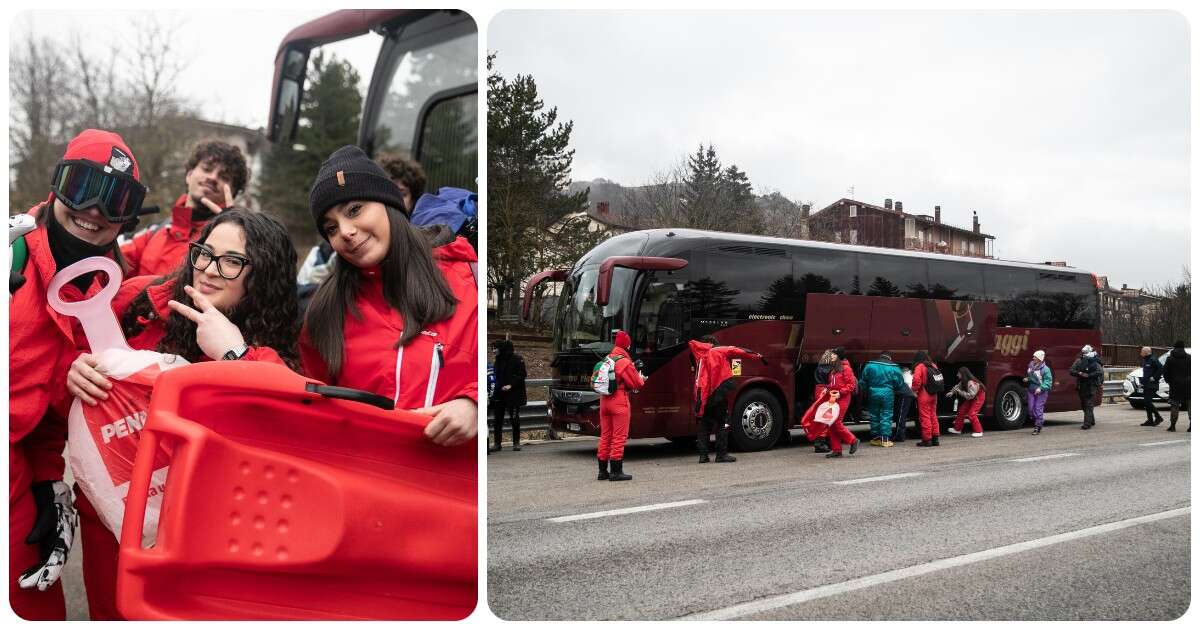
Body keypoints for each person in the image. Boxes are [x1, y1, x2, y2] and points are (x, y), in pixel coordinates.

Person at [63, 210, 300, 620]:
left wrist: (235, 354)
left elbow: (295, 417)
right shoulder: (140, 302)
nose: (209, 270)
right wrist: (74, 369)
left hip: (210, 537)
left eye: (232, 261)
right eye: (205, 253)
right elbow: (61, 350)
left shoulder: (276, 344)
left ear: (262, 275)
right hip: (114, 524)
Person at [9, 129, 147, 619]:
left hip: (20, 463)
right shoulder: (11, 260)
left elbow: (42, 413)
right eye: (82, 186)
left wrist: (48, 483)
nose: (94, 211)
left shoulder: (98, 292)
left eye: (116, 201)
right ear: (56, 185)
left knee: (35, 606)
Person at [300, 146, 478, 448]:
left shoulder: (467, 280)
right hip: (369, 483)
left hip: (455, 485)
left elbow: (495, 373)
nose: (345, 232)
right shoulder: (324, 310)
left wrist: (474, 403)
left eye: (355, 210)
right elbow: (309, 408)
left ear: (390, 204)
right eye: (331, 228)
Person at [121, 140, 249, 277]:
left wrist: (231, 232)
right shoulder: (156, 230)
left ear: (232, 193)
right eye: (207, 169)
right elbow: (110, 265)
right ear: (189, 175)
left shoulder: (234, 245)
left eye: (224, 177)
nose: (212, 177)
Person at [687, 335, 767, 463]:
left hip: (702, 396)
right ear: (712, 343)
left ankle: (703, 456)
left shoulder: (696, 355)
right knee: (722, 423)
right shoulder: (717, 350)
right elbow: (738, 350)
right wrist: (758, 356)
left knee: (704, 425)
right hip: (718, 393)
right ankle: (721, 455)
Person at [597, 330, 645, 480]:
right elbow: (636, 383)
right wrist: (641, 378)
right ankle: (616, 472)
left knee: (605, 436)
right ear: (627, 345)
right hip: (619, 400)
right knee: (619, 437)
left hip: (604, 400)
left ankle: (602, 471)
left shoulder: (607, 358)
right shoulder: (624, 361)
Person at [800, 349, 860, 458]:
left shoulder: (846, 369)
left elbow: (851, 386)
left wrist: (840, 393)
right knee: (831, 423)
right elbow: (832, 385)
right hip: (834, 397)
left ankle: (853, 440)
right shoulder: (834, 370)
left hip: (843, 398)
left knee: (836, 422)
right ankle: (836, 450)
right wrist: (826, 389)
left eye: (832, 356)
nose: (830, 357)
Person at [859, 351, 906, 447]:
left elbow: (863, 381)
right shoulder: (894, 367)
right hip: (887, 393)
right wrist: (896, 389)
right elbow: (899, 382)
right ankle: (885, 439)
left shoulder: (870, 365)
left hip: (873, 392)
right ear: (889, 358)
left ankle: (876, 438)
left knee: (874, 414)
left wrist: (864, 390)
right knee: (886, 414)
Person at [491, 339, 528, 451]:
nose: (493, 351)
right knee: (498, 419)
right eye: (492, 348)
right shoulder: (498, 360)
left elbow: (522, 374)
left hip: (513, 395)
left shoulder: (517, 359)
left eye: (495, 348)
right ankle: (497, 444)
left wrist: (511, 385)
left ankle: (516, 443)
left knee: (514, 419)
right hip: (499, 394)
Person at [911, 350, 943, 446]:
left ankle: (927, 439)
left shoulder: (919, 366)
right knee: (933, 415)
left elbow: (916, 380)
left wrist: (914, 390)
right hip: (934, 394)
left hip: (924, 394)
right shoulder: (933, 365)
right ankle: (935, 438)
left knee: (924, 416)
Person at [1069, 344, 1103, 430]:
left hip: (1092, 385)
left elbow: (1099, 372)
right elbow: (1071, 371)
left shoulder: (1095, 361)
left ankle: (1087, 424)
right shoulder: (1079, 361)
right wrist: (1080, 373)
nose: (1084, 353)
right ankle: (1091, 420)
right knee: (1084, 404)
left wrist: (1088, 375)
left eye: (1085, 352)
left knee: (1088, 403)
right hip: (1081, 385)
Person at [946, 367, 986, 437]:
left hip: (978, 397)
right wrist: (952, 392)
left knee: (972, 413)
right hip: (973, 396)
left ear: (962, 374)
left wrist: (960, 392)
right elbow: (957, 387)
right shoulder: (963, 381)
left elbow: (970, 396)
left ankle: (979, 431)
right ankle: (957, 429)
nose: (957, 375)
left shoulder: (970, 382)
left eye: (958, 373)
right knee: (961, 410)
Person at [1163, 341, 1190, 432]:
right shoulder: (1190, 358)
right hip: (1189, 385)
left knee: (1174, 406)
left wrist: (1169, 381)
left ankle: (1173, 426)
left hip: (1175, 385)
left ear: (1174, 347)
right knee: (1191, 405)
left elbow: (1165, 372)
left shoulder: (1170, 359)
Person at [1138, 346, 1166, 427]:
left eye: (1142, 352)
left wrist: (1154, 377)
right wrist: (1142, 382)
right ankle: (1150, 420)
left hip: (1152, 385)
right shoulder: (1146, 360)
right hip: (1146, 385)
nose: (1140, 353)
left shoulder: (1153, 359)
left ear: (1146, 352)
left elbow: (1161, 369)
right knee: (1146, 403)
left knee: (1147, 402)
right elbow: (1146, 374)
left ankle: (1158, 417)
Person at [1027, 349, 1052, 435]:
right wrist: (1027, 379)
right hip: (1031, 390)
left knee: (1038, 408)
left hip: (1041, 392)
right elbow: (1031, 376)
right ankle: (1039, 421)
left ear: (1039, 358)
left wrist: (1041, 388)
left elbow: (1048, 382)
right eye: (1034, 356)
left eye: (1035, 357)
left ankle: (1037, 426)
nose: (1033, 358)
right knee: (1030, 409)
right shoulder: (1031, 366)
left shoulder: (1045, 369)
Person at [890, 367, 917, 443]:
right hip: (907, 395)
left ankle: (900, 436)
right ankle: (900, 434)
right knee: (901, 415)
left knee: (901, 415)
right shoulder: (901, 376)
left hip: (904, 396)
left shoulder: (895, 377)